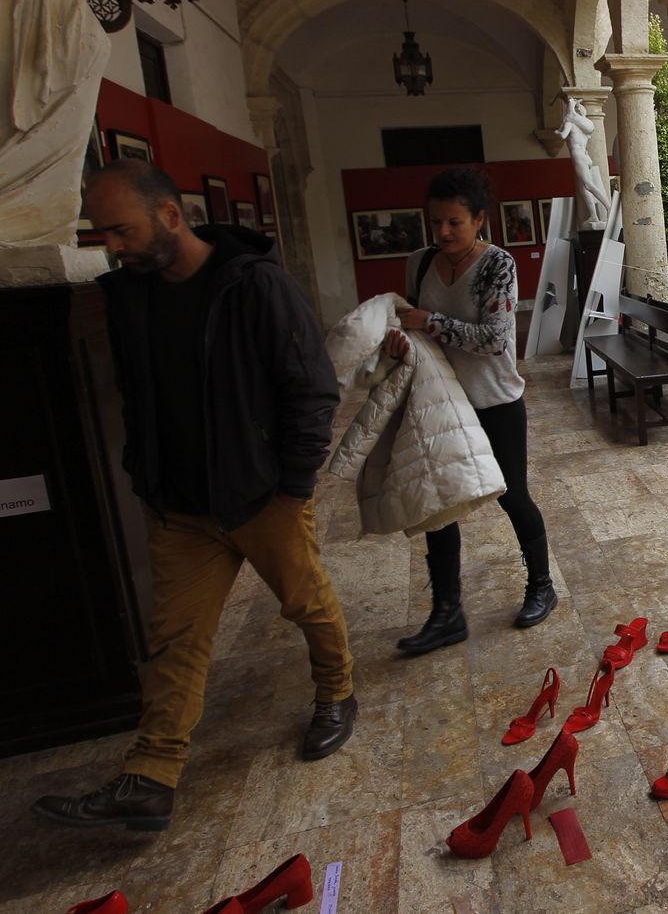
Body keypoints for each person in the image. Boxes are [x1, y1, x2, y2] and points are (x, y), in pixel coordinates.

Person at [33, 160, 355, 833]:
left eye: (121, 230)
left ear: (170, 215)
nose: (112, 246)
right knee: (175, 639)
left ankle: (337, 691)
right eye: (102, 235)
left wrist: (293, 486)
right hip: (178, 504)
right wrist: (141, 470)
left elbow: (313, 388)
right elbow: (136, 392)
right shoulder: (130, 294)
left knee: (306, 600)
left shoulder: (255, 286)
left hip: (260, 494)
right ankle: (150, 776)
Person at [388, 166, 554, 655]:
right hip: (438, 403)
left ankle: (541, 585)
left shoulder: (497, 265)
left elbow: (495, 339)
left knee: (511, 495)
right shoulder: (419, 263)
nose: (442, 232)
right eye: (436, 221)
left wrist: (429, 321)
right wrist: (403, 340)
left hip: (496, 402)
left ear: (479, 219)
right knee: (439, 507)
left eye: (454, 222)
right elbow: (416, 330)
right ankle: (446, 614)